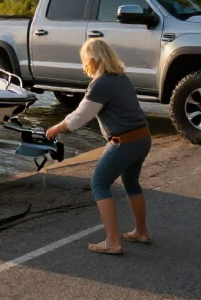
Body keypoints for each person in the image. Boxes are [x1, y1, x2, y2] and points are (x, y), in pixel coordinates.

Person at [46, 38, 152, 255]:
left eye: (85, 60)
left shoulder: (101, 84)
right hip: (143, 137)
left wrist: (56, 128)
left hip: (125, 141)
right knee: (131, 183)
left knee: (99, 183)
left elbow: (79, 118)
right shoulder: (121, 78)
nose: (84, 65)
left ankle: (112, 242)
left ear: (93, 60)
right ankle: (141, 232)